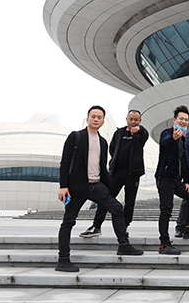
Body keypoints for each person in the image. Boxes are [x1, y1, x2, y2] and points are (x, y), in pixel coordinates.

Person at [56, 105, 143, 272]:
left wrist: (109, 188)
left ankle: (124, 245)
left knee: (117, 208)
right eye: (93, 116)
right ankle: (63, 260)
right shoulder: (76, 137)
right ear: (87, 119)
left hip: (96, 185)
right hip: (77, 186)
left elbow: (102, 168)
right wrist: (63, 186)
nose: (96, 119)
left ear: (103, 121)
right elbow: (65, 162)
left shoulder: (103, 142)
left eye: (99, 117)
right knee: (68, 221)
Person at [79, 109, 148, 238]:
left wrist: (139, 130)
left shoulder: (140, 134)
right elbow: (112, 149)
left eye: (136, 120)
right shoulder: (119, 133)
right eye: (131, 119)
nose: (133, 122)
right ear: (126, 119)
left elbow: (145, 134)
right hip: (117, 172)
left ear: (140, 121)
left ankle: (124, 227)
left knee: (129, 202)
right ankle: (96, 226)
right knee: (105, 198)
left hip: (133, 173)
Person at [155, 105, 189, 255]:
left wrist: (187, 181)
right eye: (181, 118)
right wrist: (173, 138)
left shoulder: (183, 139)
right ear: (174, 120)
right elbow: (165, 143)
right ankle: (164, 244)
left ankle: (188, 228)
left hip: (177, 180)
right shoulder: (167, 133)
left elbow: (184, 162)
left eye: (186, 120)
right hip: (165, 178)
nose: (183, 121)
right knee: (166, 210)